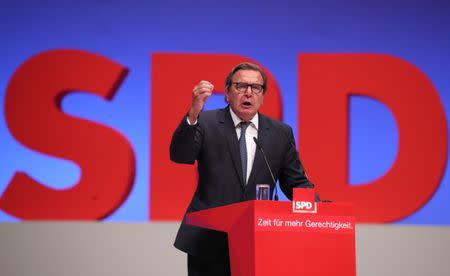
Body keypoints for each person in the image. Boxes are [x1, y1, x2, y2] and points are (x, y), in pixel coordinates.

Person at [170, 62, 314, 276]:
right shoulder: (206, 122)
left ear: (263, 95)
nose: (248, 93)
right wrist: (193, 112)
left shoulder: (280, 133)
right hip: (209, 240)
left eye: (256, 88)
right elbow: (181, 156)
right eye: (240, 86)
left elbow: (295, 182)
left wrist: (319, 209)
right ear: (228, 92)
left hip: (258, 239)